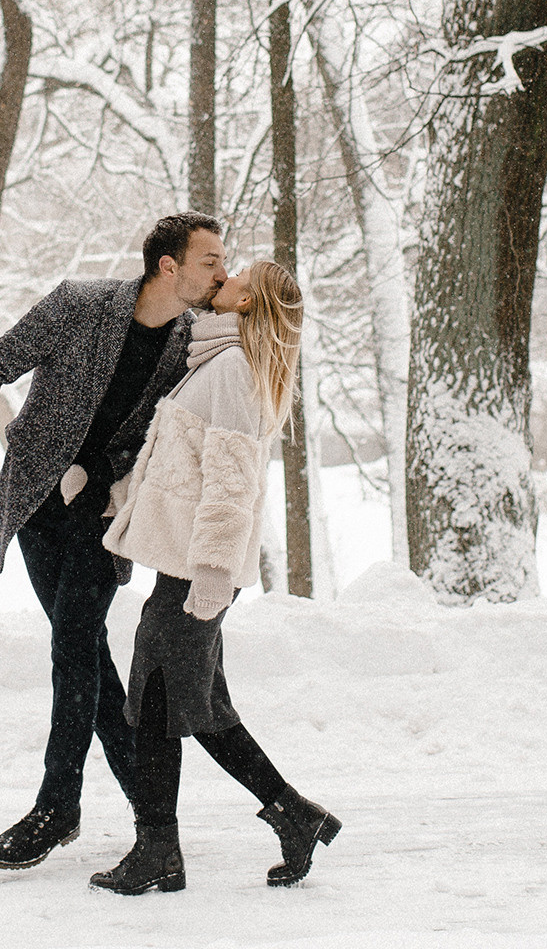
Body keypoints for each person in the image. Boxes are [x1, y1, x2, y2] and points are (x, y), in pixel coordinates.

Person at [0, 213, 227, 870]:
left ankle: (58, 805)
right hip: (37, 502)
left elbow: (166, 438)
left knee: (74, 639)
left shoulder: (190, 345)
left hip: (104, 514)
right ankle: (153, 816)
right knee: (86, 658)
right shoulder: (79, 306)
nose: (222, 273)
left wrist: (104, 470)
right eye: (210, 261)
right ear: (169, 266)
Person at [89, 258, 339, 894]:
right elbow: (183, 463)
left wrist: (212, 575)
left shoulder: (230, 371)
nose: (221, 280)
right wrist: (123, 500)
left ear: (248, 305)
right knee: (196, 708)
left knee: (154, 708)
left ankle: (158, 853)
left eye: (236, 280)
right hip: (186, 572)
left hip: (195, 575)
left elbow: (231, 485)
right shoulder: (218, 363)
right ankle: (292, 816)